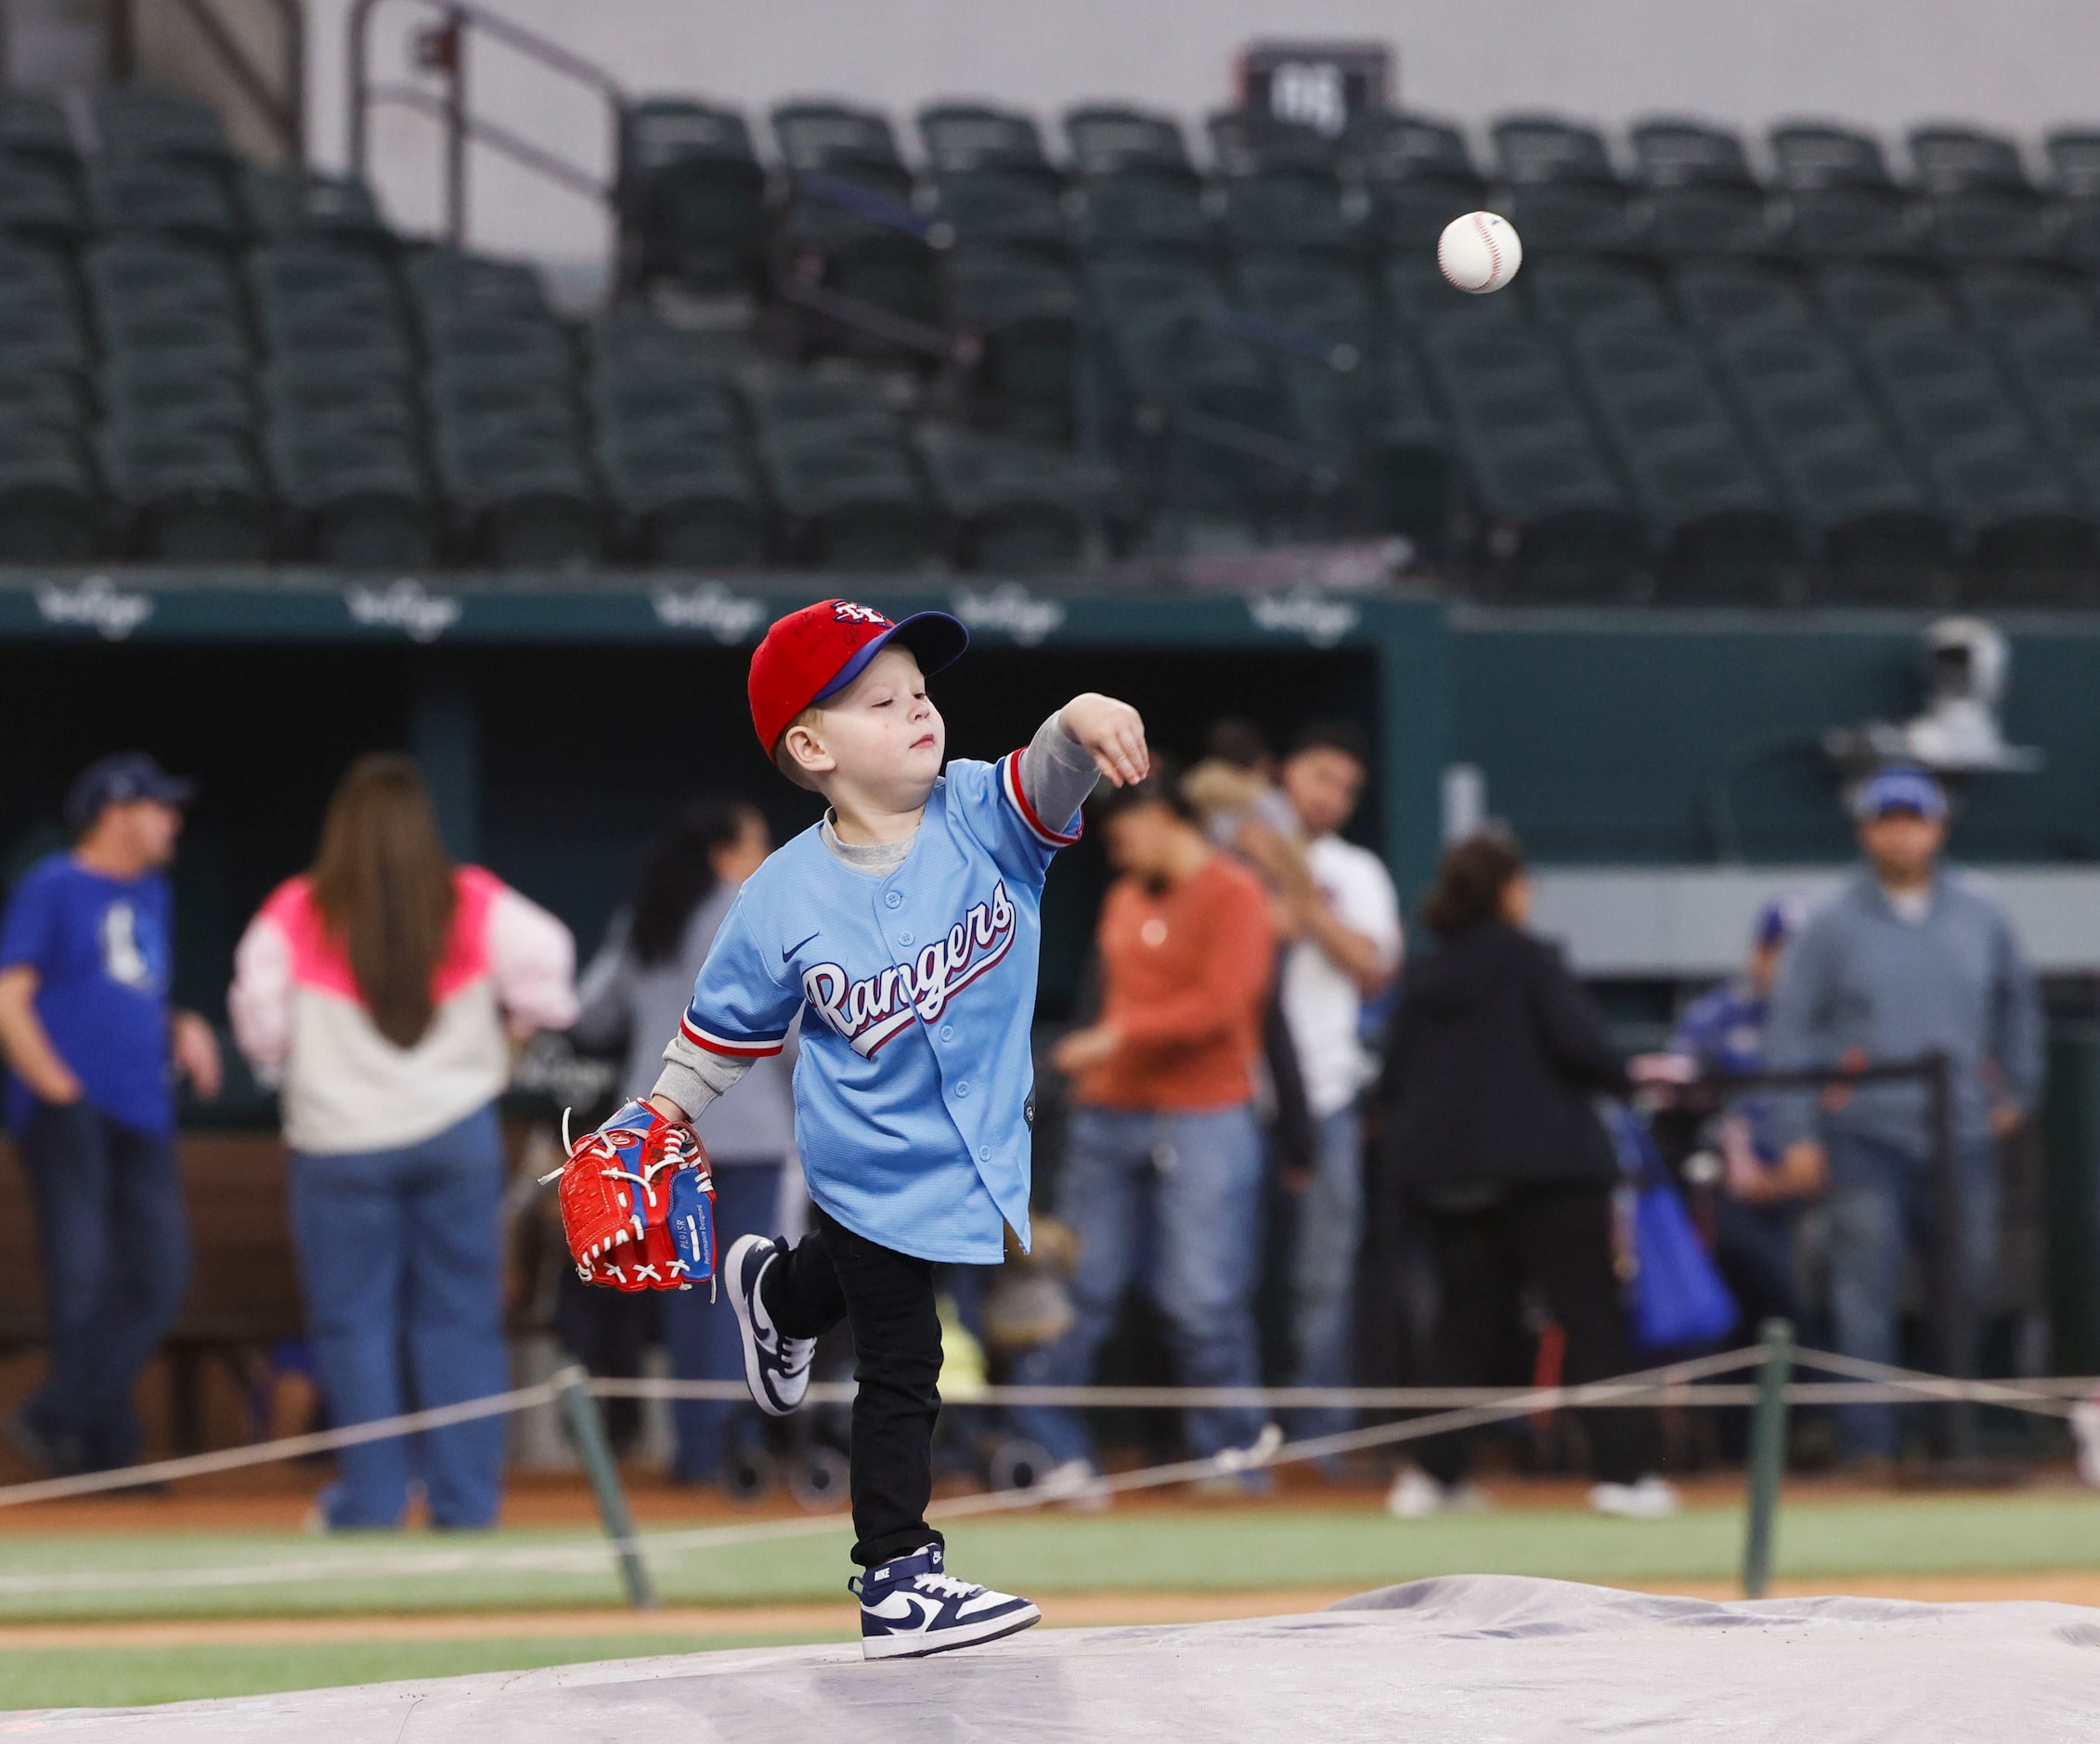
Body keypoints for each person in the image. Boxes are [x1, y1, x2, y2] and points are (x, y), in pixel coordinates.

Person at [554, 597, 1146, 1659]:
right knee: (904, 1353)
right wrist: (660, 1116)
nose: (917, 709)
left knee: (866, 1292)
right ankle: (898, 1581)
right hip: (864, 1153)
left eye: (921, 691)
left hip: (972, 1152)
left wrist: (1079, 716)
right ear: (812, 746)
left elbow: (1050, 769)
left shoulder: (981, 813)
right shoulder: (780, 895)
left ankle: (777, 1291)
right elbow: (723, 1031)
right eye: (882, 700)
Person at [228, 755, 579, 1529]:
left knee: (354, 1327)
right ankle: (465, 1501)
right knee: (460, 1322)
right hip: (454, 1137)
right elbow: (551, 967)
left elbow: (260, 1025)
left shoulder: (297, 910)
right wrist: (508, 1038)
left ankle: (374, 1501)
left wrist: (302, 1056)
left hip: (338, 1143)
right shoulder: (470, 901)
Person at [1376, 832, 1679, 1521]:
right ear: (1509, 889)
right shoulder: (1533, 962)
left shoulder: (1423, 977)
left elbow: (1394, 1080)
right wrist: (1627, 1076)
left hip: (1453, 1181)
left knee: (1461, 1325)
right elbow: (1585, 1050)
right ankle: (1624, 1478)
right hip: (1552, 1175)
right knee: (1590, 1317)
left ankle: (1433, 1477)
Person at [1007, 765, 1281, 1493]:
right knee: (1079, 1294)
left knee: (1202, 1302)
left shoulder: (1237, 893)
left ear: (1163, 818)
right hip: (1110, 1115)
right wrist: (1106, 1051)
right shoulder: (1126, 898)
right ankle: (1057, 1456)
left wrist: (1117, 1037)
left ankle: (1232, 1461)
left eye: (1124, 832)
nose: (1115, 850)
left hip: (1205, 1114)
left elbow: (1223, 1007)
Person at [1765, 765, 2042, 1470]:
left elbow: (2017, 1005)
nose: (1902, 832)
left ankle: (1948, 1439)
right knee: (1864, 1294)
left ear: (1938, 829)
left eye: (1914, 818)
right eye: (1887, 819)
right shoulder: (1829, 918)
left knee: (1970, 1283)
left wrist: (2016, 1091)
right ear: (1866, 831)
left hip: (1964, 1135)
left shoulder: (1982, 908)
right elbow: (1792, 1026)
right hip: (1863, 1133)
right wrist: (1797, 1130)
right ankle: (1869, 1450)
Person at [0, 753, 222, 1476]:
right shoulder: (53, 885)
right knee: (85, 1281)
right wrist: (55, 1084)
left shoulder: (152, 893)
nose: (173, 821)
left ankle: (57, 1417)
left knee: (160, 1275)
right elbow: (10, 995)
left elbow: (131, 991)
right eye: (159, 807)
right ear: (116, 812)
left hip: (142, 1108)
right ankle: (102, 1453)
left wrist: (179, 1025)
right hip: (70, 1111)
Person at [569, 797, 797, 1485]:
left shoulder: (649, 915)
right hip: (750, 1127)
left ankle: (696, 1453)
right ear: (726, 853)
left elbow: (587, 1016)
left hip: (660, 1130)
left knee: (687, 1292)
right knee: (745, 1292)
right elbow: (790, 1033)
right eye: (755, 843)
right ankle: (733, 1452)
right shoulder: (761, 909)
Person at [1267, 722, 1401, 1446]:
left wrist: (1302, 895)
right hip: (1237, 1095)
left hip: (1327, 1095)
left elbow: (1374, 966)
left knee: (1321, 1277)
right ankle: (1224, 1441)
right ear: (1288, 772)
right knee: (1225, 1284)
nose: (1333, 799)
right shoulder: (1233, 850)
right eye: (1323, 777)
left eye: (1348, 789)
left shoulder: (1356, 871)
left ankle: (1317, 1443)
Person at [1669, 898, 1816, 1334]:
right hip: (1738, 1187)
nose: (1787, 967)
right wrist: (1737, 1156)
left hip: (1822, 1181)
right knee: (1737, 1249)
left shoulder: (1834, 1020)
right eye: (1777, 952)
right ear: (1758, 952)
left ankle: (1816, 1394)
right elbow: (1682, 1097)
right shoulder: (1717, 1015)